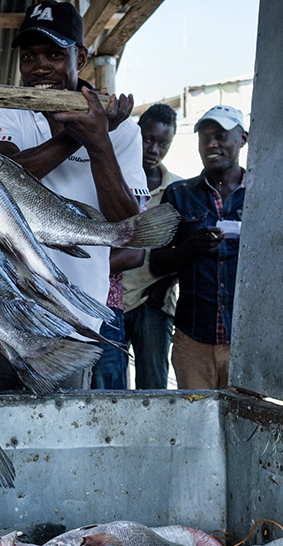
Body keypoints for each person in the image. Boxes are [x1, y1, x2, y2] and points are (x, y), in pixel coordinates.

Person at [0, 0, 148, 391]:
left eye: (55, 54)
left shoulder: (123, 130)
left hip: (73, 321)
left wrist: (101, 140)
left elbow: (130, 229)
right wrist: (77, 134)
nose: (39, 66)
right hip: (4, 308)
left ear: (81, 57)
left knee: (56, 438)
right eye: (30, 56)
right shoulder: (9, 110)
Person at [149, 105, 248, 390]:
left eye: (220, 136)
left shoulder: (264, 194)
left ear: (242, 138)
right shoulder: (180, 195)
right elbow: (157, 263)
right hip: (193, 340)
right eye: (204, 138)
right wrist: (192, 246)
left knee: (245, 429)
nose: (211, 144)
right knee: (195, 426)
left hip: (246, 342)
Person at [122, 103, 182, 389]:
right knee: (108, 388)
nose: (154, 149)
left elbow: (187, 250)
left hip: (153, 301)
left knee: (154, 387)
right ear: (136, 134)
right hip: (112, 301)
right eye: (148, 139)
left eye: (163, 143)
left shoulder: (179, 191)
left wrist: (166, 284)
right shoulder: (115, 181)